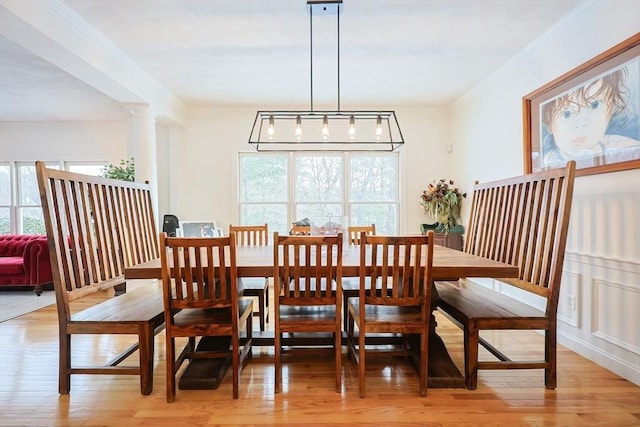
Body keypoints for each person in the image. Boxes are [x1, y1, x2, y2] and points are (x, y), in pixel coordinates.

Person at [541, 66, 640, 169]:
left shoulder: (626, 148)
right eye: (567, 114)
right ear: (549, 125)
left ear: (611, 109)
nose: (581, 123)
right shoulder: (547, 165)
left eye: (594, 105)